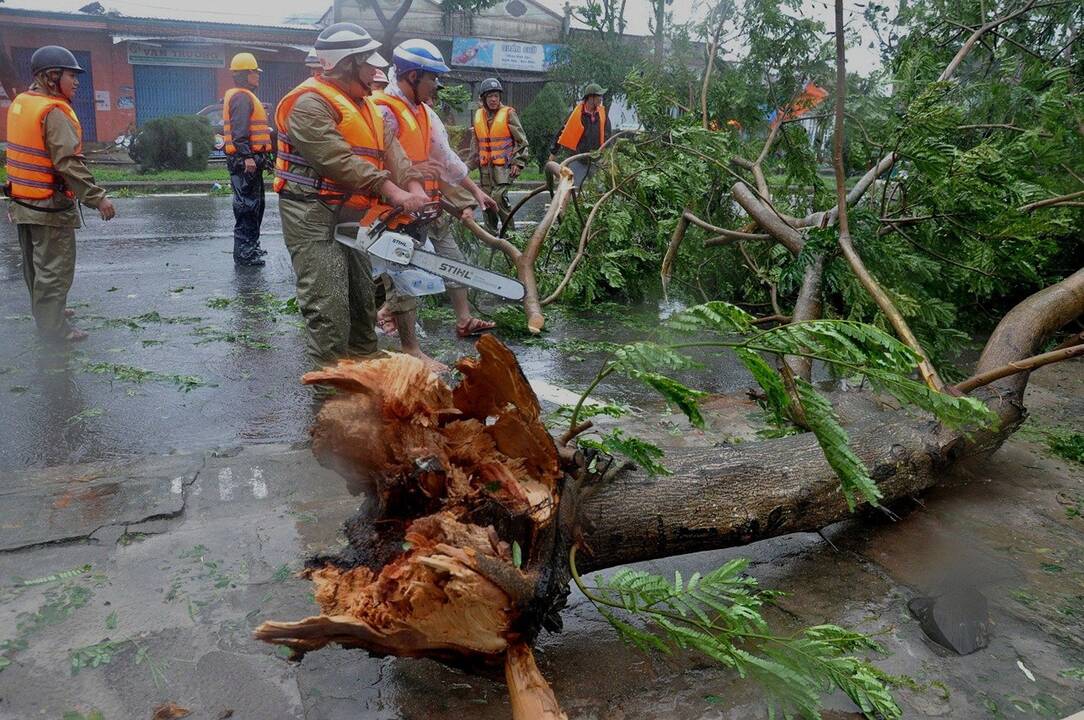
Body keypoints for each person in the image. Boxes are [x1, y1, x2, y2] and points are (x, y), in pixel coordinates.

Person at [272, 22, 428, 370]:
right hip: (311, 212)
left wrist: (414, 186)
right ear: (346, 63)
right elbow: (337, 160)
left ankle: (365, 363)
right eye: (368, 63)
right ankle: (331, 389)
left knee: (362, 297)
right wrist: (391, 190)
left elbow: (393, 150)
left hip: (351, 213)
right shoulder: (308, 105)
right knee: (328, 305)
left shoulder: (366, 104)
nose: (376, 70)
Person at [371, 39, 499, 354]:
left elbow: (446, 158)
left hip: (424, 208)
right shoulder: (385, 111)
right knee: (401, 278)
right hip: (389, 212)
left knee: (430, 268)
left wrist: (476, 191)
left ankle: (402, 321)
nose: (436, 85)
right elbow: (375, 162)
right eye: (432, 77)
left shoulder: (425, 113)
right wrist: (414, 175)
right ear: (412, 76)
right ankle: (403, 343)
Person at [4, 45, 116, 343]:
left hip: (23, 201)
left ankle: (48, 310)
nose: (76, 82)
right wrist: (97, 197)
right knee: (55, 267)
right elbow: (67, 161)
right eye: (71, 75)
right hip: (49, 204)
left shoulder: (24, 102)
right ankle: (53, 329)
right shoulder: (53, 112)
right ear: (51, 77)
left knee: (35, 266)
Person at [223, 52, 272, 267]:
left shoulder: (244, 95)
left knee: (255, 206)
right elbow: (239, 131)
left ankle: (251, 247)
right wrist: (247, 156)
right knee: (247, 208)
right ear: (244, 74)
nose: (258, 76)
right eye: (254, 72)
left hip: (250, 159)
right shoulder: (241, 97)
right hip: (244, 162)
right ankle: (244, 253)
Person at [468, 78, 529, 234]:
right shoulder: (478, 116)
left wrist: (518, 162)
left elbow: (522, 141)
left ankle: (511, 236)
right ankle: (492, 237)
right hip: (485, 169)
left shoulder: (509, 114)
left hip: (504, 167)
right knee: (487, 202)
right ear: (483, 98)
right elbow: (476, 144)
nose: (494, 99)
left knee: (498, 198)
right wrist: (466, 166)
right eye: (490, 96)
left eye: (496, 95)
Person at [549, 83, 611, 186]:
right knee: (574, 189)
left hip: (597, 160)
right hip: (578, 159)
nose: (601, 98)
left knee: (600, 190)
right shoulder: (576, 115)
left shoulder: (602, 114)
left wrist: (607, 155)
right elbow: (562, 133)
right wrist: (553, 153)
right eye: (598, 96)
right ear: (590, 98)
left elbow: (608, 136)